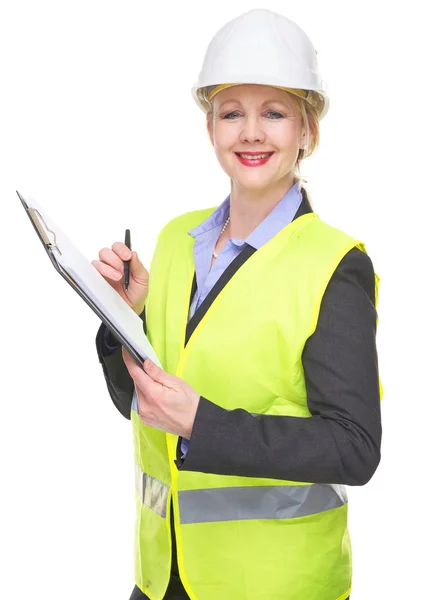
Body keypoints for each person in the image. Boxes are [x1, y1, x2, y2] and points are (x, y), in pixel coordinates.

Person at [93, 8, 382, 600]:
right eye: (232, 114)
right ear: (211, 128)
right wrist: (127, 315)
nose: (250, 133)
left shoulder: (334, 265)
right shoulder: (177, 238)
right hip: (161, 576)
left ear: (308, 131)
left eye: (273, 113)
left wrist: (204, 422)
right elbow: (136, 402)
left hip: (274, 584)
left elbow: (354, 447)